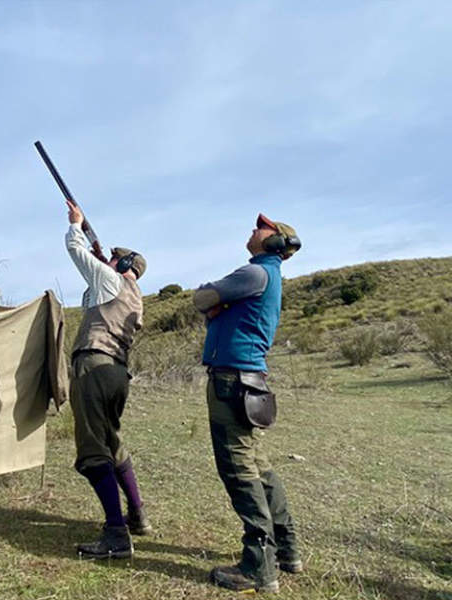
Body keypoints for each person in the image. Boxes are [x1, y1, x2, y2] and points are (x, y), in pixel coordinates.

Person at [193, 213, 303, 593]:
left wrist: (215, 304)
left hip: (231, 381)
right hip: (248, 382)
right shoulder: (266, 276)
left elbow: (201, 298)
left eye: (262, 228)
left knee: (239, 471)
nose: (254, 230)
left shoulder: (255, 273)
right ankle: (287, 550)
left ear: (275, 242)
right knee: (260, 469)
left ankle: (259, 567)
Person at [64, 199, 151, 559]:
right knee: (112, 443)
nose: (109, 260)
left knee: (93, 449)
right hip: (117, 372)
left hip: (94, 366)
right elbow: (91, 298)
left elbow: (74, 250)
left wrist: (75, 224)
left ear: (124, 264)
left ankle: (116, 534)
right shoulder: (135, 296)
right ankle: (138, 516)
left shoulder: (109, 279)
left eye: (114, 258)